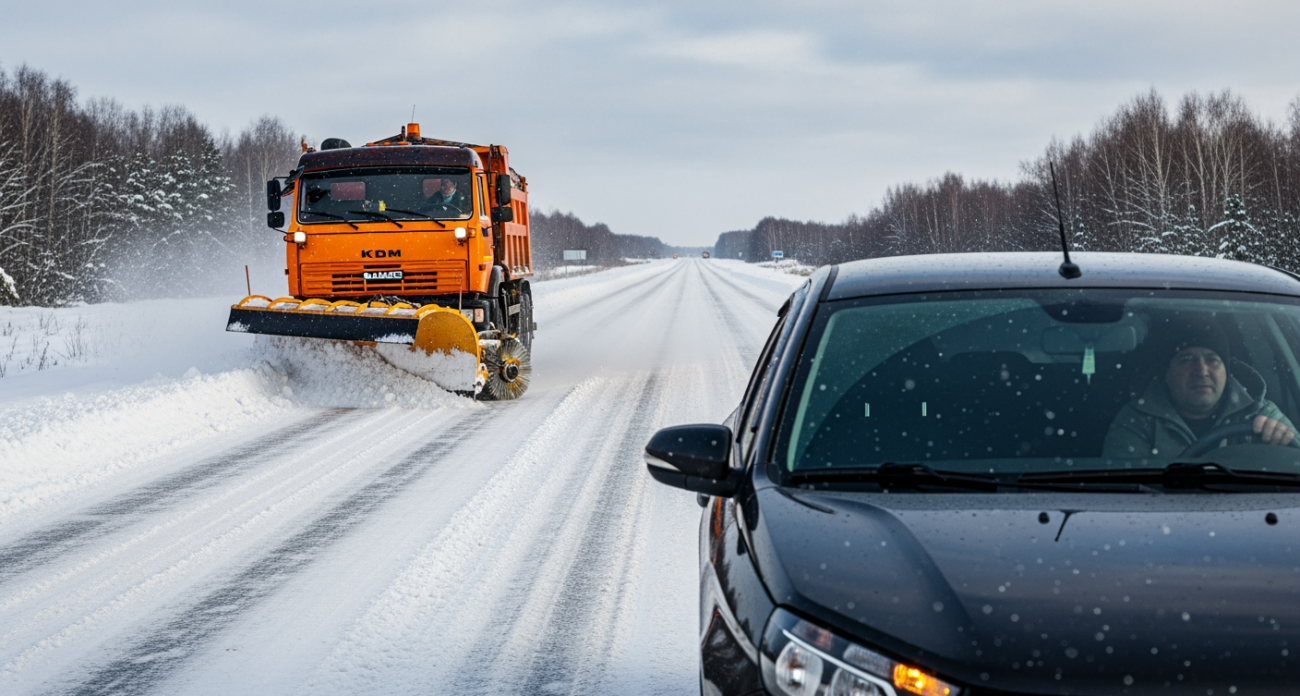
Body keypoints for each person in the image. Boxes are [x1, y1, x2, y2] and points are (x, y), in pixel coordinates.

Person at [1103, 317, 1295, 458]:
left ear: (1226, 372)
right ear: (1166, 373)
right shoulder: (1137, 421)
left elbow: (1294, 467)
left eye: (1212, 360)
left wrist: (1274, 447)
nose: (1202, 371)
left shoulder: (1261, 415)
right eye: (1187, 360)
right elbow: (1123, 490)